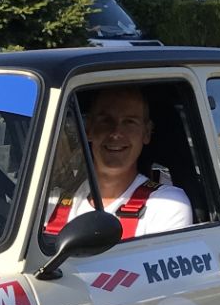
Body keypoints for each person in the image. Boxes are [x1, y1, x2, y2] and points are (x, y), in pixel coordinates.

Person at [45, 85, 194, 239]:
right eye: (106, 120)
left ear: (146, 133)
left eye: (129, 122)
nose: (116, 133)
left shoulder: (166, 204)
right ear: (88, 129)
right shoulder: (52, 202)